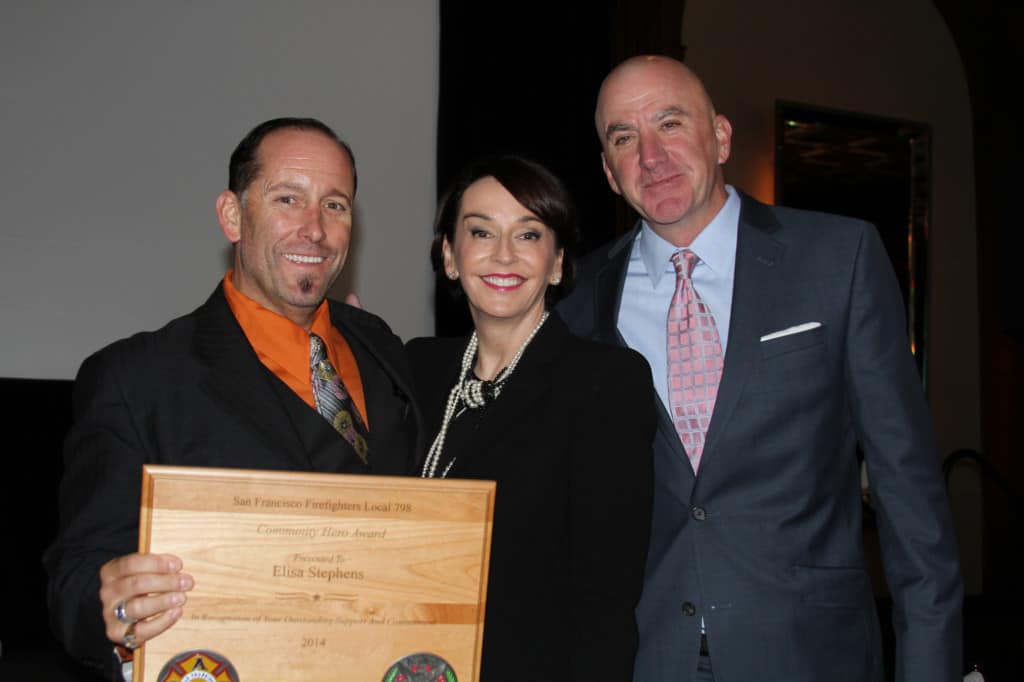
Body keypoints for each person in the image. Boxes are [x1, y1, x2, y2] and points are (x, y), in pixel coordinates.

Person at [557, 55, 963, 682]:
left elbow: (909, 495)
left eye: (669, 124)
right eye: (623, 138)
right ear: (609, 174)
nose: (651, 156)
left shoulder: (838, 258)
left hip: (810, 653)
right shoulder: (578, 300)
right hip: (645, 659)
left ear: (719, 136)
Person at [43, 117, 421, 679]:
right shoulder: (136, 378)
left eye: (335, 205)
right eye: (288, 199)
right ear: (232, 216)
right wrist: (113, 611)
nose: (314, 229)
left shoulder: (383, 348)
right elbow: (78, 579)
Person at [406, 155, 655, 681]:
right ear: (450, 255)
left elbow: (605, 603)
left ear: (558, 262)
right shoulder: (416, 370)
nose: (503, 256)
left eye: (528, 235)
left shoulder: (606, 384)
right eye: (480, 232)